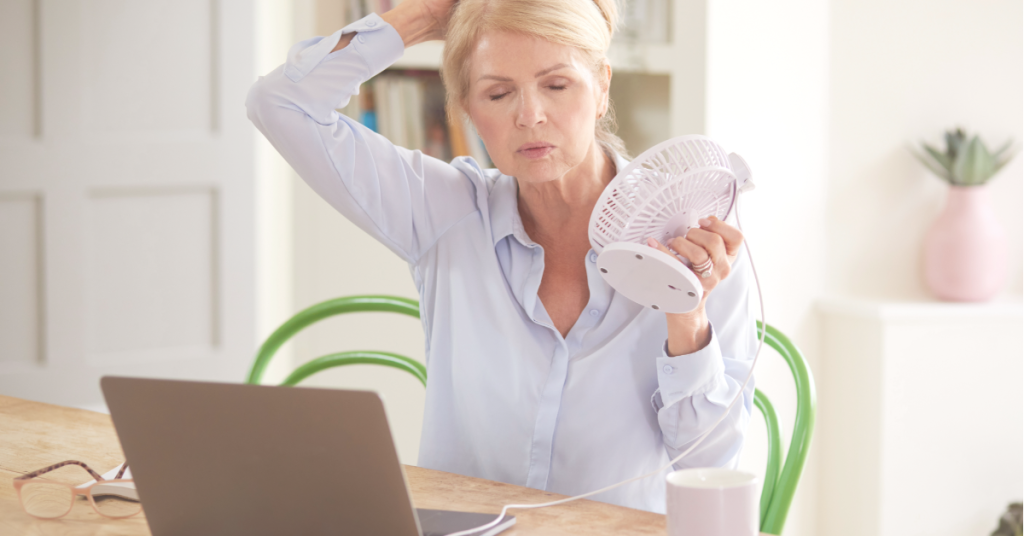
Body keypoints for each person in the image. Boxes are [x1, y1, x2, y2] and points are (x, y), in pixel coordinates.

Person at [246, 0, 756, 514]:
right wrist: (424, 15)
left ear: (601, 87)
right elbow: (279, 103)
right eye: (497, 92)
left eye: (557, 85)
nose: (529, 115)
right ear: (467, 108)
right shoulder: (440, 211)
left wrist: (685, 317)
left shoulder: (695, 243)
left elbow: (710, 466)